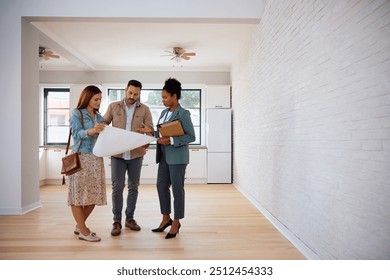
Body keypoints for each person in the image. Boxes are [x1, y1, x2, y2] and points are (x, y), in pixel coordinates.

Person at [103, 79, 154, 236]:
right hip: (117, 155)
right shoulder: (113, 106)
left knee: (133, 187)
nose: (133, 96)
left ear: (139, 94)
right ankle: (116, 221)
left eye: (136, 94)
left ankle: (129, 219)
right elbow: (103, 124)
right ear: (125, 90)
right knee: (117, 187)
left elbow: (151, 132)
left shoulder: (145, 109)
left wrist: (149, 130)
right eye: (130, 92)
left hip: (136, 155)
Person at [151, 78, 195, 239]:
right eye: (162, 97)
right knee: (161, 186)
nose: (163, 100)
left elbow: (191, 136)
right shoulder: (163, 113)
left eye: (165, 97)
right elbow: (162, 133)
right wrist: (151, 132)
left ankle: (176, 222)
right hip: (163, 156)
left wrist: (171, 140)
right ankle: (165, 218)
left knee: (177, 190)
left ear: (174, 96)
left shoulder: (183, 113)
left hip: (177, 157)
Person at [68, 85, 107, 242]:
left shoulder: (99, 117)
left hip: (96, 158)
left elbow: (105, 135)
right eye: (96, 99)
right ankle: (84, 231)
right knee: (77, 195)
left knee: (95, 195)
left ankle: (80, 225)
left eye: (100, 99)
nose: (98, 102)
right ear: (87, 98)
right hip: (80, 157)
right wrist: (92, 131)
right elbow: (76, 134)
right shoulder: (77, 114)